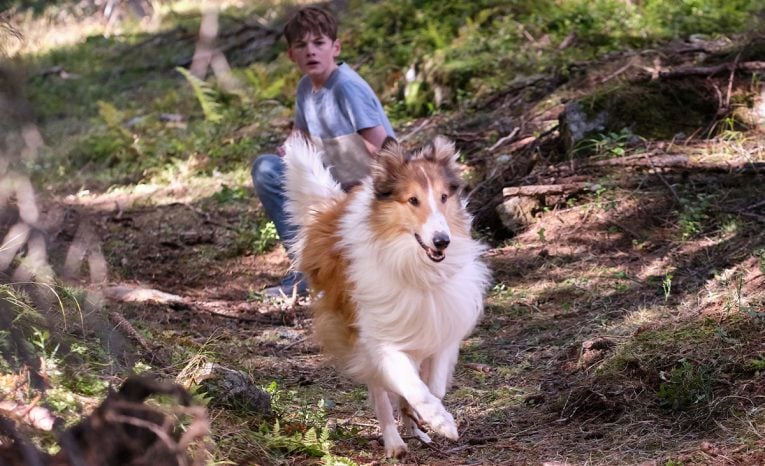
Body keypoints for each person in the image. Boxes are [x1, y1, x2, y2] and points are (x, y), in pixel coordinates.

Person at [251, 6, 396, 298]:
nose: (311, 52)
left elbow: (384, 150)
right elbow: (299, 137)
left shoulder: (346, 88)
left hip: (366, 192)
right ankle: (306, 271)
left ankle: (332, 272)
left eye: (319, 43)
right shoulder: (306, 87)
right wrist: (288, 150)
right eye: (301, 46)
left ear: (335, 47)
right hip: (331, 187)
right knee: (267, 169)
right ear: (291, 54)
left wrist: (378, 197)